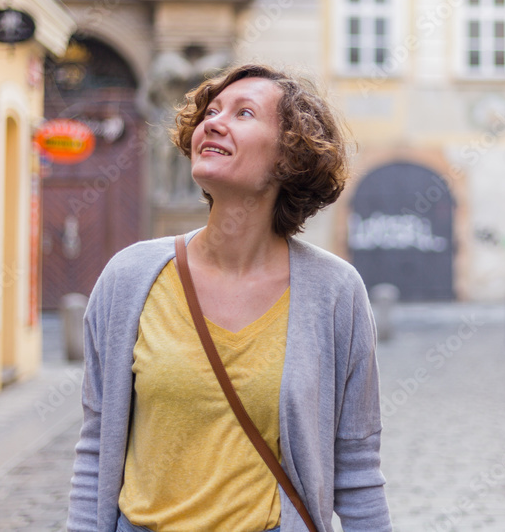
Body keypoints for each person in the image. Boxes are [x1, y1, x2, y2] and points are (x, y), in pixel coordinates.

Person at [67, 64, 392, 532]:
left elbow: (357, 467)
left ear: (289, 155)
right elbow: (97, 446)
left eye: (244, 113)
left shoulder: (335, 292)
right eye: (211, 112)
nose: (213, 122)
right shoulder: (130, 277)